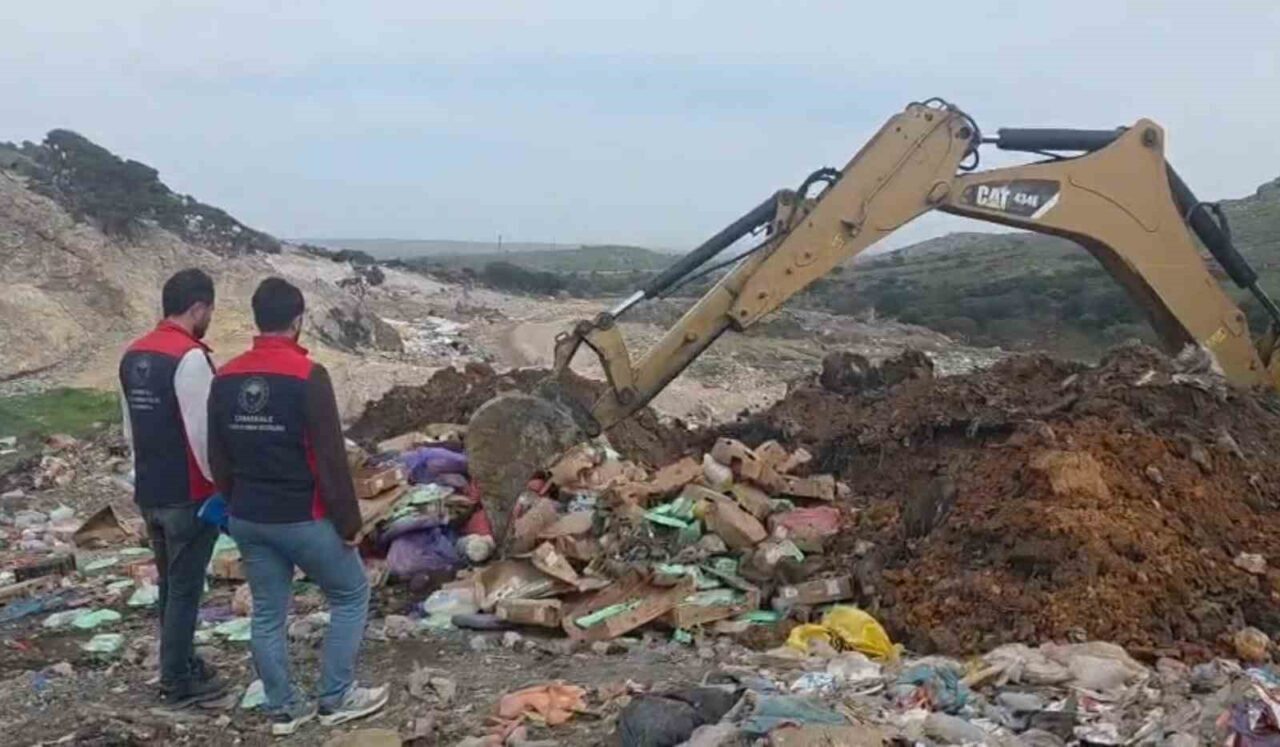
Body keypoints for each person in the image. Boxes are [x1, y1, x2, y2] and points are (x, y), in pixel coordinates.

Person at [208, 277, 386, 736]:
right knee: (350, 594)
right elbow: (330, 459)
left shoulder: (225, 377)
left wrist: (232, 505)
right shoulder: (308, 376)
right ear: (299, 321)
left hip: (248, 516)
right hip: (301, 516)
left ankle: (284, 709)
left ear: (257, 318)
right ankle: (336, 696)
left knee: (268, 612)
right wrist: (349, 523)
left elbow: (218, 456)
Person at [118, 268, 227, 706]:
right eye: (209, 311)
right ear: (198, 307)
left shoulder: (132, 355)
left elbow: (128, 430)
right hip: (189, 494)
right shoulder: (190, 357)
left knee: (170, 584)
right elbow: (204, 435)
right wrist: (222, 486)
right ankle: (178, 681)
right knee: (184, 588)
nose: (209, 319)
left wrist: (139, 475)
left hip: (150, 490)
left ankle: (178, 660)